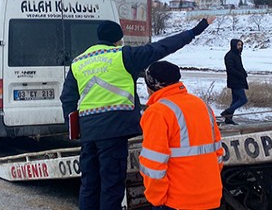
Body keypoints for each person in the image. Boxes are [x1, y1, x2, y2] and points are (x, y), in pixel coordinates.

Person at [60, 16, 214, 210]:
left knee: (89, 183)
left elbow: (67, 99)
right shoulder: (123, 55)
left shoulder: (79, 62)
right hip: (114, 130)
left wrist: (74, 128)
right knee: (111, 184)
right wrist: (195, 31)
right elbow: (162, 47)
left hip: (89, 132)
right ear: (118, 39)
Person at [139, 61, 223, 210]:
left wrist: (157, 199)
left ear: (151, 85)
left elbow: (153, 165)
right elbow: (218, 154)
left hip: (177, 201)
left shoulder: (157, 112)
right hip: (211, 198)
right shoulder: (202, 105)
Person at [221, 39, 247, 125]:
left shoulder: (237, 55)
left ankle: (228, 119)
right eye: (238, 45)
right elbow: (230, 69)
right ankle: (227, 112)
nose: (240, 47)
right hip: (235, 81)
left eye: (241, 45)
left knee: (235, 100)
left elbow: (240, 66)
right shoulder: (229, 56)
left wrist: (244, 73)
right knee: (243, 99)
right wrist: (240, 74)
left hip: (239, 80)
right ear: (234, 45)